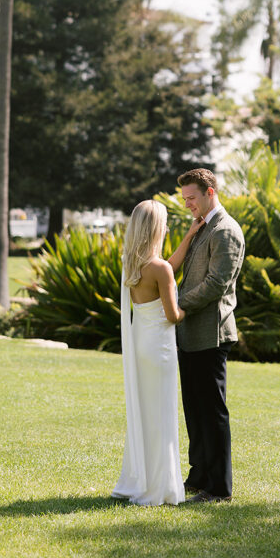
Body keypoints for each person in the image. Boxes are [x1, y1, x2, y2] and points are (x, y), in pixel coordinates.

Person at [173, 167, 245, 504]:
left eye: (191, 198)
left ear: (209, 193)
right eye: (185, 198)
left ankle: (219, 488)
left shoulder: (226, 230)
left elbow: (217, 284)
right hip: (191, 333)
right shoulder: (202, 226)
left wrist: (175, 305)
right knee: (194, 409)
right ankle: (199, 476)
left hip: (211, 333)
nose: (187, 203)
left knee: (212, 411)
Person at [112, 200, 187, 506]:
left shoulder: (132, 264)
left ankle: (143, 478)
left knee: (148, 415)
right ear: (157, 229)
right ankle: (161, 486)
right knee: (163, 416)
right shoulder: (161, 270)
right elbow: (172, 315)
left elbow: (166, 268)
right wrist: (190, 306)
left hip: (143, 347)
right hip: (161, 350)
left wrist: (188, 238)